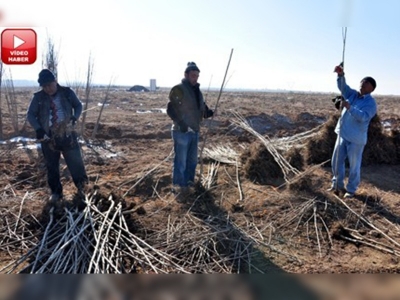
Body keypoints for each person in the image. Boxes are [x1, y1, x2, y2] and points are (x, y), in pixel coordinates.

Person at [27, 69, 88, 203]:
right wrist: (38, 129)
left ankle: (83, 188)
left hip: (67, 133)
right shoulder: (38, 97)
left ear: (55, 81)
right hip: (48, 137)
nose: (48, 89)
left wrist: (74, 117)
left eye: (49, 85)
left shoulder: (67, 92)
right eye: (44, 86)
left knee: (76, 162)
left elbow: (78, 105)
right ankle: (56, 193)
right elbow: (30, 114)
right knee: (52, 166)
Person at [328, 64, 377, 198]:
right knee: (336, 161)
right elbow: (344, 88)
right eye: (362, 82)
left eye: (366, 83)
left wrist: (350, 107)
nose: (362, 84)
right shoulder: (352, 95)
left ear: (371, 88)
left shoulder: (371, 104)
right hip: (343, 134)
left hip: (356, 139)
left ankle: (351, 190)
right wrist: (340, 75)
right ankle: (337, 185)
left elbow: (364, 117)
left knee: (354, 165)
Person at [167, 62, 214, 194]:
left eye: (197, 76)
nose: (195, 78)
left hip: (194, 131)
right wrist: (181, 123)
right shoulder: (179, 89)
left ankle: (189, 184)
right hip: (181, 132)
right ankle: (178, 187)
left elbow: (201, 108)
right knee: (181, 161)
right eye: (193, 75)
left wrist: (207, 113)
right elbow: (171, 109)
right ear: (186, 75)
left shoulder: (198, 91)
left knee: (192, 161)